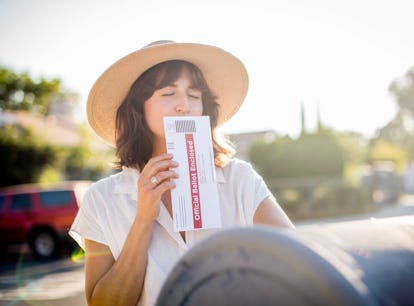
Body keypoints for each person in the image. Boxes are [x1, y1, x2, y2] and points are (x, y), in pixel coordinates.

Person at [70, 40, 294, 306]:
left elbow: (297, 258)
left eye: (194, 95)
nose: (183, 105)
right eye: (168, 93)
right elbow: (102, 303)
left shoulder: (239, 179)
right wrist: (143, 219)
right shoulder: (101, 199)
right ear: (138, 108)